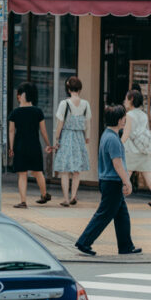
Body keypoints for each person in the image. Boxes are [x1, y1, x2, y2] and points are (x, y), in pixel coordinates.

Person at [75, 105, 140, 256]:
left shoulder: (108, 135)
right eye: (124, 118)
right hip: (112, 182)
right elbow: (117, 163)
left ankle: (126, 246)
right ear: (119, 121)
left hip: (108, 181)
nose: (125, 120)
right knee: (104, 214)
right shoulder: (113, 139)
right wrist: (127, 181)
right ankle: (84, 241)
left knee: (122, 215)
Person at [8, 82, 52, 208]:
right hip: (34, 146)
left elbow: (11, 131)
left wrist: (11, 148)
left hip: (20, 146)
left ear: (22, 95)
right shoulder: (38, 112)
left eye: (18, 94)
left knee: (22, 174)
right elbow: (43, 131)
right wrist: (49, 144)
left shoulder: (15, 113)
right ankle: (44, 195)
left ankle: (23, 201)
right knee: (38, 172)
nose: (18, 96)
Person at [123, 89, 151, 208]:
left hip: (131, 151)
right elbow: (145, 131)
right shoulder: (144, 115)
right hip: (144, 150)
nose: (124, 101)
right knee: (148, 175)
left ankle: (117, 198)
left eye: (126, 99)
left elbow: (126, 134)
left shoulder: (129, 115)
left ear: (131, 100)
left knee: (125, 176)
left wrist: (119, 143)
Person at [52, 76, 91, 207]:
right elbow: (88, 123)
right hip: (79, 137)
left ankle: (66, 198)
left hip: (67, 136)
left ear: (68, 89)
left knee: (65, 169)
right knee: (76, 170)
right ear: (79, 89)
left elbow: (60, 123)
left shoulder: (65, 103)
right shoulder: (85, 104)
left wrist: (56, 138)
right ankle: (74, 195)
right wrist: (87, 136)